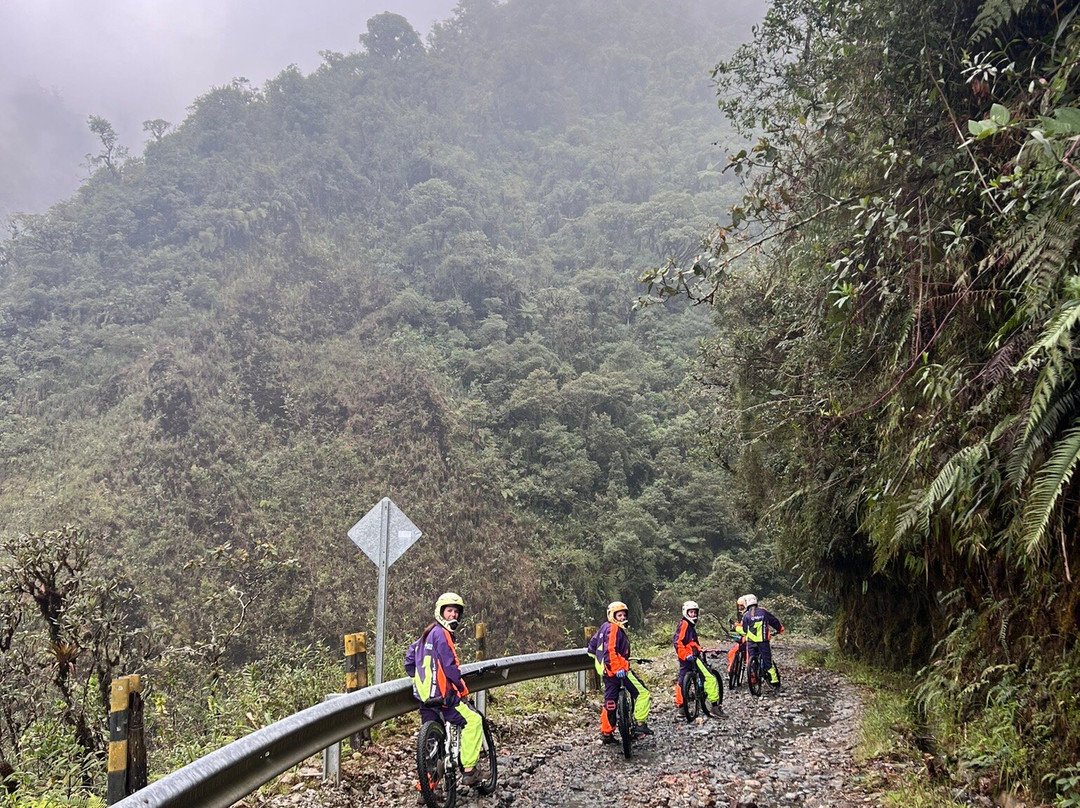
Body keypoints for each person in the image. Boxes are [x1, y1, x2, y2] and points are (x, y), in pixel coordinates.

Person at [404, 592, 484, 786]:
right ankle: (469, 770)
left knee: (433, 741)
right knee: (474, 721)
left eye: (456, 612)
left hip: (425, 699)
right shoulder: (443, 634)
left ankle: (426, 787)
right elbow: (450, 667)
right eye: (449, 611)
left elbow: (409, 662)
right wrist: (462, 690)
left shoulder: (425, 635)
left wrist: (423, 679)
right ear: (440, 612)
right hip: (444, 697)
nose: (453, 615)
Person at [591, 600, 652, 743]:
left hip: (607, 672)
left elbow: (592, 647)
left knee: (610, 702)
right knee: (643, 693)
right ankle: (640, 725)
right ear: (612, 615)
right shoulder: (613, 628)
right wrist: (618, 668)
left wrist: (603, 665)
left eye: (624, 615)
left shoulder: (604, 627)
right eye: (619, 615)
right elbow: (610, 650)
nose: (622, 617)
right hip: (619, 670)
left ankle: (606, 733)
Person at [672, 600, 721, 710]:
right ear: (685, 612)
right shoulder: (685, 625)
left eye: (695, 612)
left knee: (682, 681)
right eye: (691, 612)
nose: (693, 615)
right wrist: (686, 655)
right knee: (709, 677)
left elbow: (691, 642)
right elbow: (678, 642)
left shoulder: (689, 625)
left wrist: (699, 649)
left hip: (686, 657)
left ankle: (681, 707)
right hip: (690, 656)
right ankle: (714, 706)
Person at [740, 594, 784, 686]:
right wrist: (780, 629)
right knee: (768, 660)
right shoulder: (763, 612)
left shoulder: (746, 615)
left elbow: (744, 629)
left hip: (751, 641)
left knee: (751, 658)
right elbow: (774, 621)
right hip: (763, 641)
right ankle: (774, 681)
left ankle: (754, 677)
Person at [726, 595, 748, 676]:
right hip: (745, 640)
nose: (740, 608)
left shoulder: (748, 615)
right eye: (739, 606)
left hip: (748, 641)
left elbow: (746, 630)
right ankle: (732, 671)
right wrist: (735, 624)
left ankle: (732, 671)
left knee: (748, 658)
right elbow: (742, 625)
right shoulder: (746, 615)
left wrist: (736, 628)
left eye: (741, 606)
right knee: (732, 652)